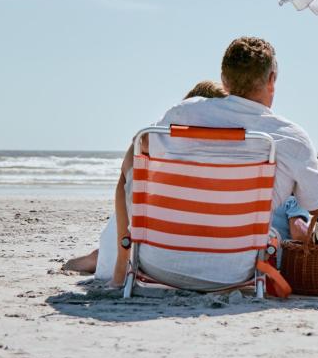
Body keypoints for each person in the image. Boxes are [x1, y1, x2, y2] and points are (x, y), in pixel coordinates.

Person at [90, 37, 318, 287]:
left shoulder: (182, 114)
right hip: (232, 272)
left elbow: (138, 145)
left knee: (133, 159)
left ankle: (123, 263)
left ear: (223, 79)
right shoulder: (290, 137)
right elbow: (317, 206)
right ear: (271, 79)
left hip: (157, 263)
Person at [61, 79, 227, 275]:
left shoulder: (159, 147)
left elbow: (129, 171)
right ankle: (95, 258)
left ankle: (97, 258)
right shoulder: (237, 161)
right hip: (219, 266)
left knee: (135, 186)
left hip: (152, 256)